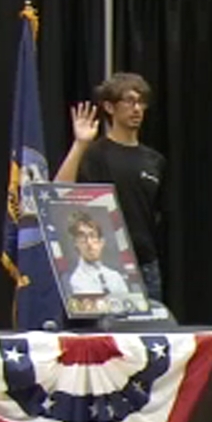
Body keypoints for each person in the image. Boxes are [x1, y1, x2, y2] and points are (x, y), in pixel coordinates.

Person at [55, 73, 167, 305]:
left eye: (141, 102)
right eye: (129, 101)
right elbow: (58, 192)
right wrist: (80, 144)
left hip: (145, 264)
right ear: (109, 106)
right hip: (104, 264)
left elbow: (158, 214)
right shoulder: (95, 154)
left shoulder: (154, 160)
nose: (137, 109)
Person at [64, 211, 131, 297]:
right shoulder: (74, 281)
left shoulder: (115, 276)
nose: (89, 243)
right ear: (75, 243)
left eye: (92, 236)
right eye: (82, 237)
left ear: (101, 242)